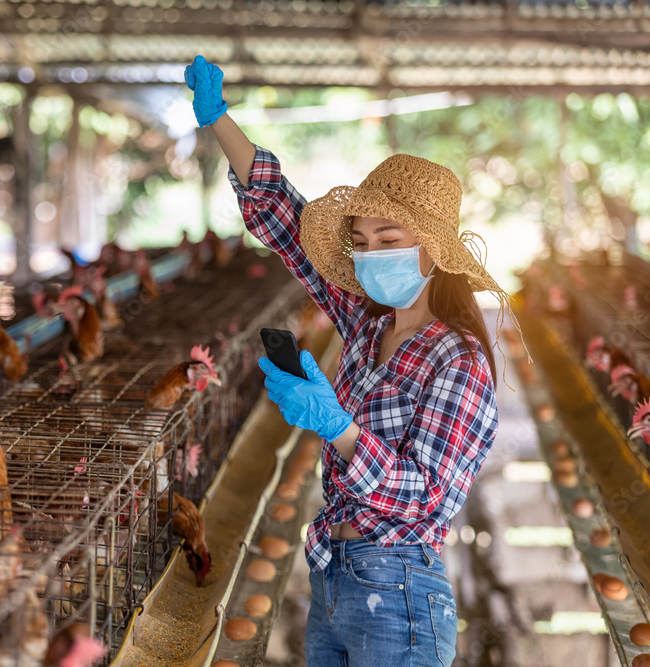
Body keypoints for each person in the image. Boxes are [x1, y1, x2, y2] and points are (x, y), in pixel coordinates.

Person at [185, 55, 518, 666]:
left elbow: (422, 498)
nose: (370, 257)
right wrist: (219, 121)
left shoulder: (459, 360)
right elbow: (282, 218)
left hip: (400, 592)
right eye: (360, 244)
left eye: (388, 242)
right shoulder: (367, 324)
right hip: (334, 579)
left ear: (432, 252)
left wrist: (338, 428)